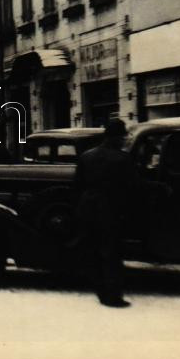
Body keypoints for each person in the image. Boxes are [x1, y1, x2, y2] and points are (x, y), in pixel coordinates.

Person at [74, 118, 140, 308]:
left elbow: (77, 186)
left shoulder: (86, 156)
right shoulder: (123, 159)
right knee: (112, 254)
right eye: (123, 136)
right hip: (112, 210)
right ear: (116, 137)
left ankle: (101, 293)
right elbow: (133, 187)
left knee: (93, 253)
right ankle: (113, 296)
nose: (124, 139)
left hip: (88, 209)